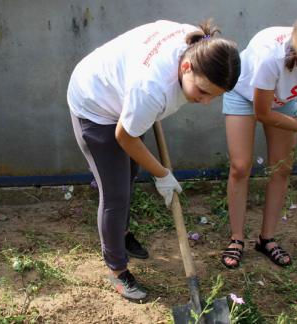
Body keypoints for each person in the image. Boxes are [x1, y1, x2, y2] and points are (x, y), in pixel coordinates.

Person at [67, 19, 241, 301]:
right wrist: (162, 174)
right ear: (186, 67)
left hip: (124, 93)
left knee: (132, 169)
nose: (206, 102)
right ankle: (117, 268)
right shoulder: (152, 89)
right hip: (94, 102)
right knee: (116, 193)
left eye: (215, 96)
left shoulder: (197, 43)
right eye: (203, 92)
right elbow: (124, 136)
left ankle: (120, 233)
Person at [220, 14, 297, 269]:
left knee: (282, 168)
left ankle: (267, 239)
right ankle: (237, 238)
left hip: (284, 97)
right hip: (244, 95)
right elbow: (263, 113)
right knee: (241, 167)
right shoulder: (271, 56)